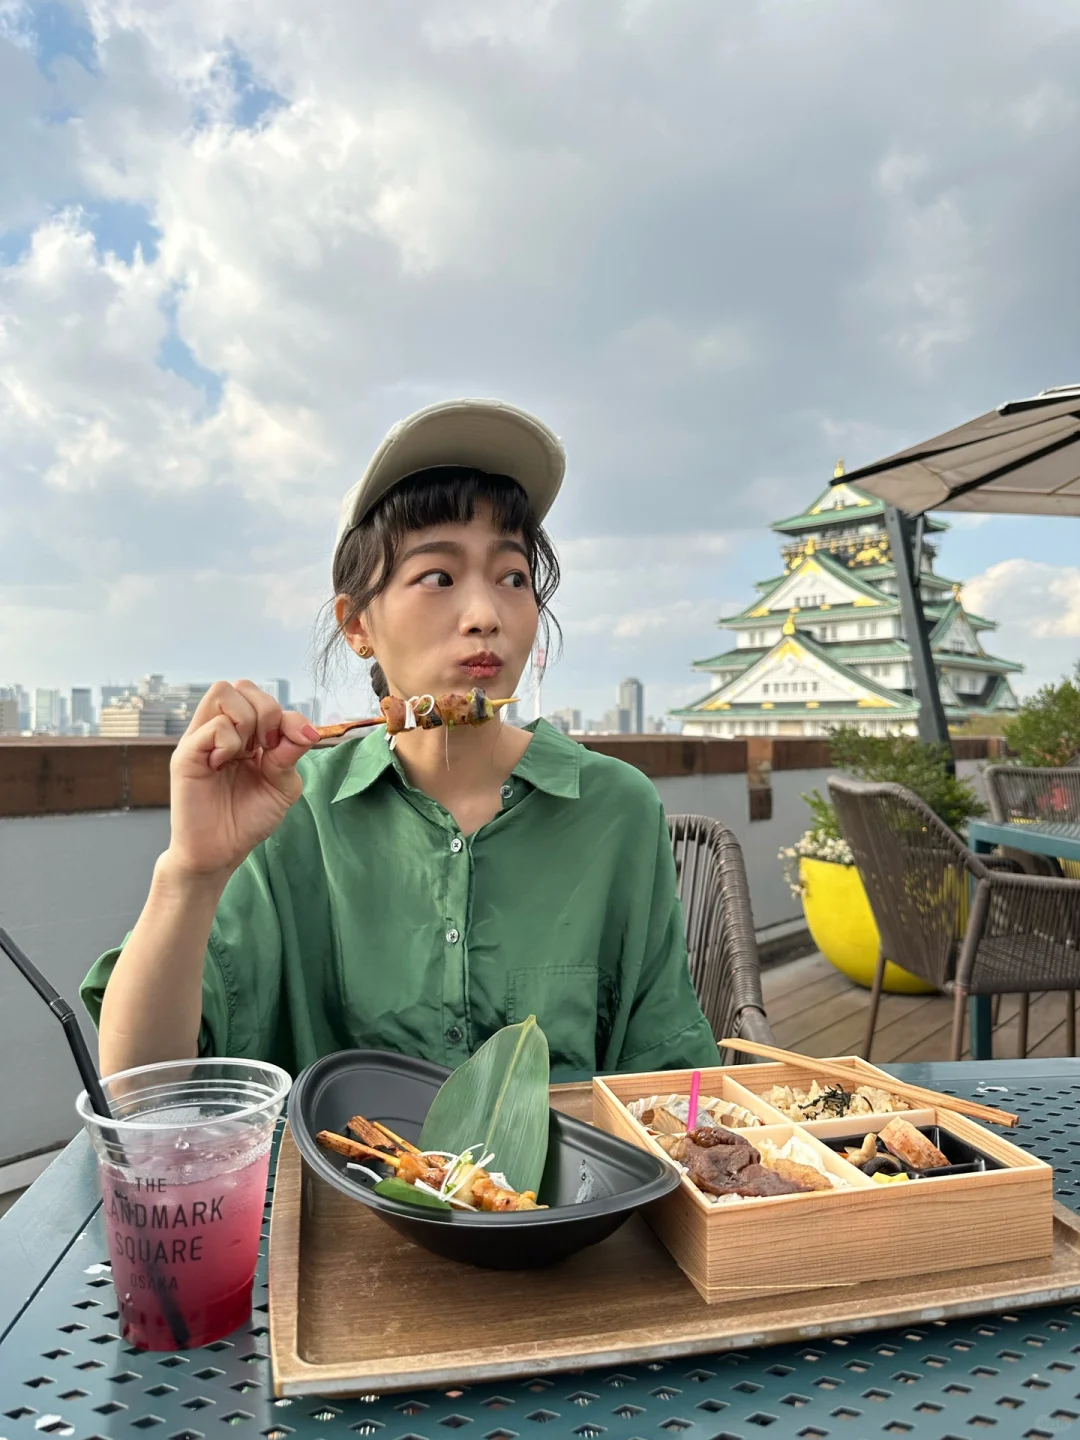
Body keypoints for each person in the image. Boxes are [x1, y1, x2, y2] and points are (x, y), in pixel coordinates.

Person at [81, 398, 720, 1081]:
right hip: (337, 1189)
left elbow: (676, 1079)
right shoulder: (291, 813)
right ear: (357, 626)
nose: (485, 615)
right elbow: (141, 1093)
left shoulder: (615, 807)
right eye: (437, 577)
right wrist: (192, 873)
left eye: (512, 577)